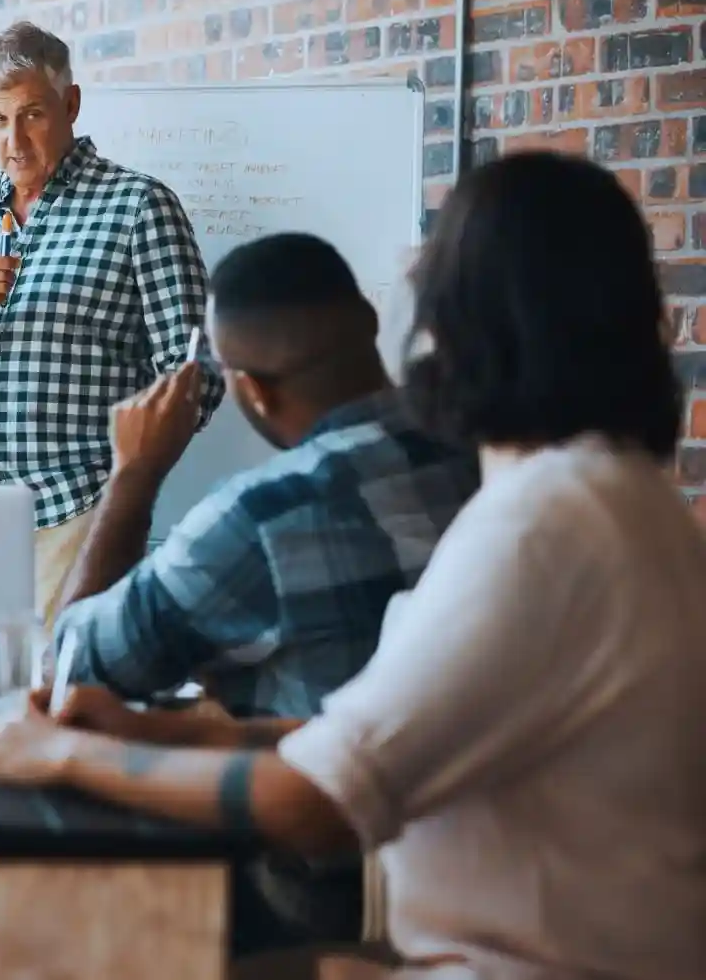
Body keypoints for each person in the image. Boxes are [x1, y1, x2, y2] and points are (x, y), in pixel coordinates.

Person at [0, 151, 706, 979]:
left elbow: (316, 806)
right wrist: (152, 730)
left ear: (456, 325)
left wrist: (61, 755)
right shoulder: (620, 501)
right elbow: (371, 730)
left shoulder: (542, 528)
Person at [0, 20, 223, 620]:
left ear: (72, 104)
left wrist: (120, 491)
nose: (14, 140)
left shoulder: (138, 206)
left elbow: (198, 378)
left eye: (32, 115)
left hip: (79, 515)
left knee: (62, 699)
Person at [54, 233, 479, 720]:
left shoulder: (260, 517)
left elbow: (71, 668)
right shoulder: (479, 452)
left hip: (311, 790)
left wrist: (133, 475)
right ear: (371, 321)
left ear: (255, 391)